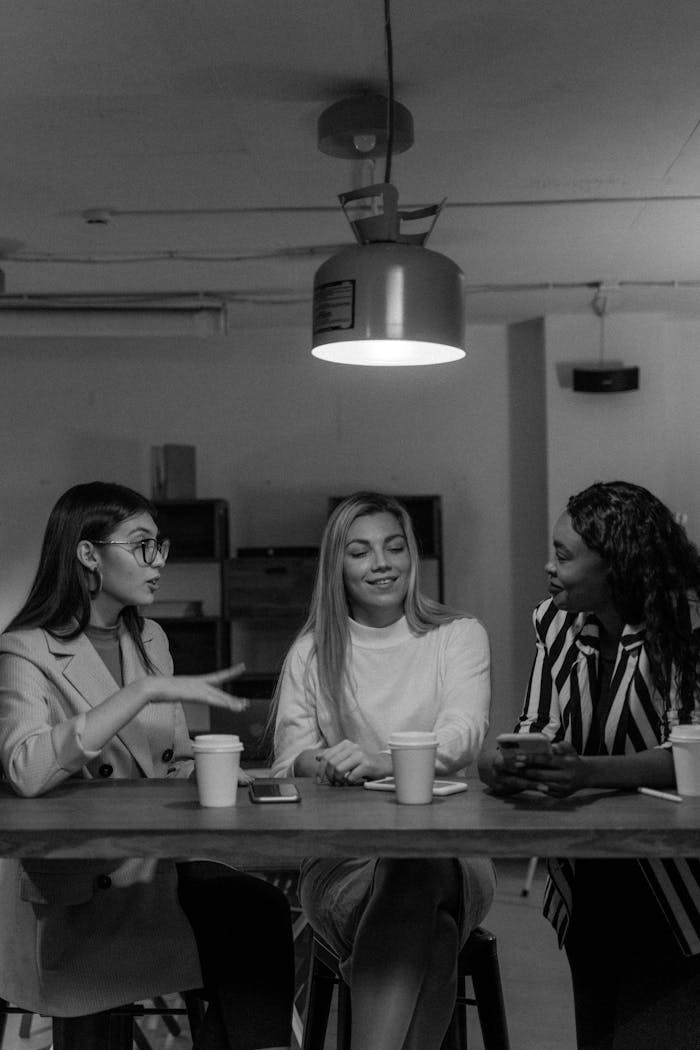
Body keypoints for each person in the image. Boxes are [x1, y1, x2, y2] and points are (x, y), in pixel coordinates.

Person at [0, 481, 294, 1050]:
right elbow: (27, 769)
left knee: (259, 912)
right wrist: (137, 694)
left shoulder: (150, 638)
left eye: (160, 546)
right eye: (142, 546)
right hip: (81, 881)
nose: (158, 563)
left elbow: (172, 758)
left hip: (159, 865)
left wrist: (214, 774)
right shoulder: (24, 649)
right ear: (88, 553)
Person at [272, 491, 495, 1050]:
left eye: (395, 548)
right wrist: (323, 761)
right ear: (336, 565)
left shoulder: (457, 635)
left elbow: (463, 736)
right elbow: (285, 761)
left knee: (413, 862)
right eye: (361, 552)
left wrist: (380, 760)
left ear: (413, 556)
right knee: (435, 935)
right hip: (343, 859)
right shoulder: (312, 650)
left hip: (451, 856)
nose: (382, 563)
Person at [482, 479, 700, 1050]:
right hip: (590, 865)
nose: (548, 567)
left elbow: (693, 754)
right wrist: (502, 764)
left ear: (616, 566)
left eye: (563, 555)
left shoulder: (682, 625)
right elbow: (535, 728)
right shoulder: (556, 623)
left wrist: (589, 772)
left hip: (675, 878)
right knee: (598, 1035)